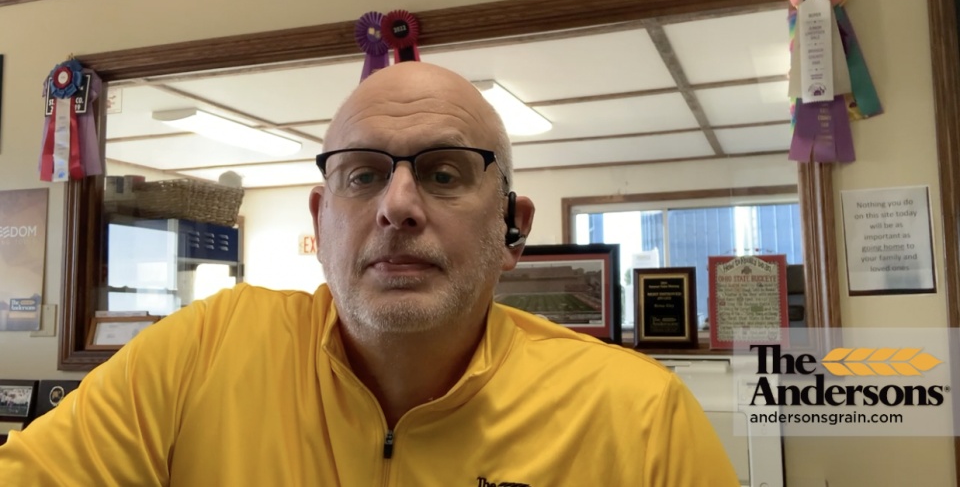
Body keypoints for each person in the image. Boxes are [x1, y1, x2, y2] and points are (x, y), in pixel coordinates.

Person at [0, 62, 739, 486]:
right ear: (321, 222)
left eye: (445, 174)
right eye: (362, 176)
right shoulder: (201, 351)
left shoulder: (642, 417)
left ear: (512, 230)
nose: (398, 206)